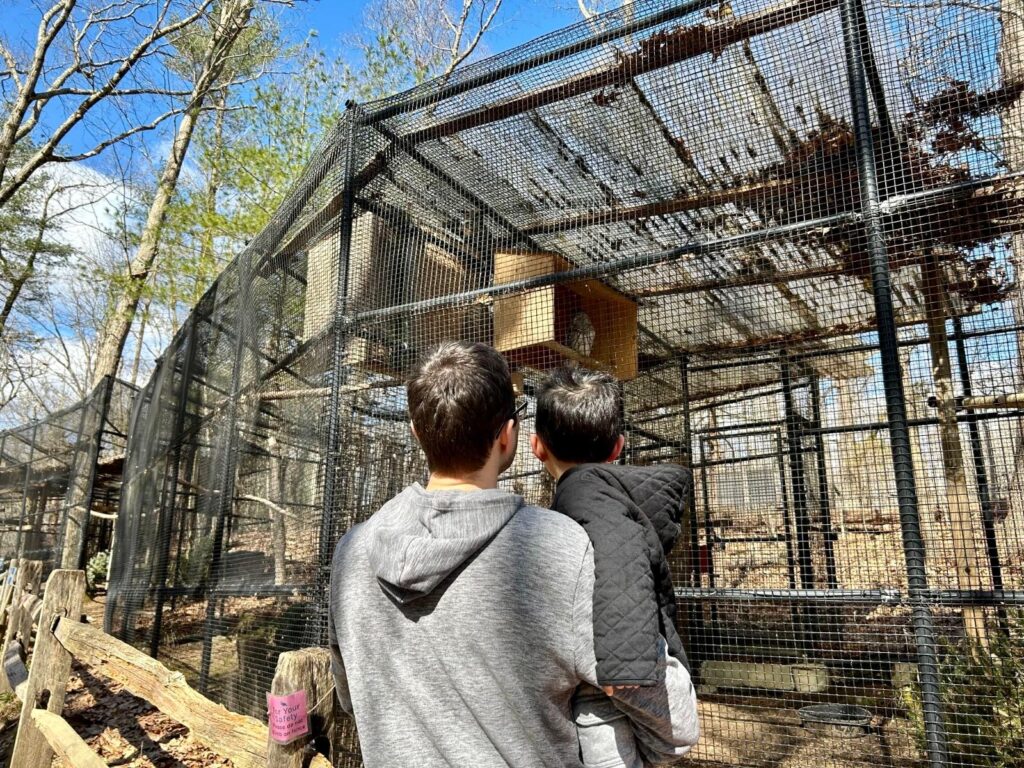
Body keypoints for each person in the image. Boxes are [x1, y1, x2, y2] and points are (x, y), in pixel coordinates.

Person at [329, 341, 698, 768]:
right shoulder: (564, 548)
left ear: (416, 432)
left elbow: (350, 695)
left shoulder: (350, 554)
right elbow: (677, 724)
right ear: (509, 436)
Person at [530, 367, 693, 768]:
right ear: (618, 446)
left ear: (536, 447)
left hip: (615, 669)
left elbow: (619, 554)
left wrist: (627, 661)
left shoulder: (585, 493)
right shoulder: (603, 492)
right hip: (618, 670)